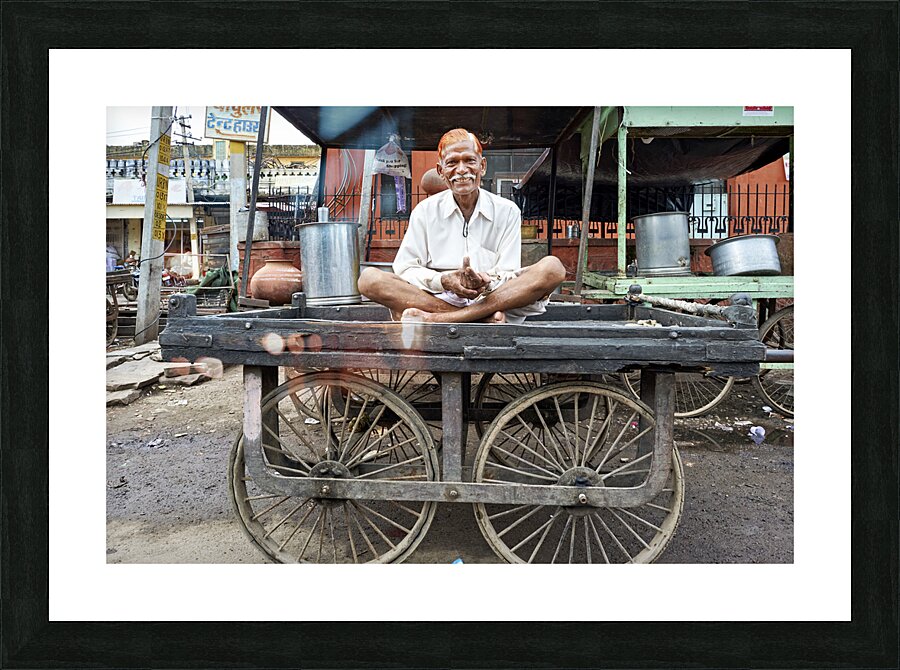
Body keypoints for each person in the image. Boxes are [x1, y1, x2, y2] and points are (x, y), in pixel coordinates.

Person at [358, 128, 565, 323]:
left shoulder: (507, 210)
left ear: (482, 166)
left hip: (493, 297)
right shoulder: (425, 211)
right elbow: (405, 268)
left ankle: (440, 319)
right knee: (369, 280)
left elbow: (507, 271)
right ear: (441, 170)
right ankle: (479, 319)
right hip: (438, 298)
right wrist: (444, 280)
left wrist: (485, 281)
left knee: (552, 268)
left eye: (469, 161)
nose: (462, 170)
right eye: (452, 163)